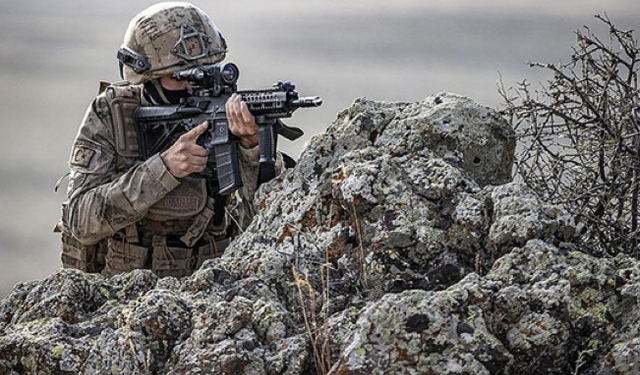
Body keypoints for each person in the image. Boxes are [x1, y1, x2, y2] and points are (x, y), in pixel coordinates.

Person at [55, 2, 283, 277]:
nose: (193, 86)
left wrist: (251, 148)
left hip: (209, 282)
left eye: (205, 71)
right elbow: (82, 219)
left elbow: (267, 219)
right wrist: (164, 169)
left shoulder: (223, 111)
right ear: (145, 78)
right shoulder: (113, 114)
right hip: (121, 288)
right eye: (179, 77)